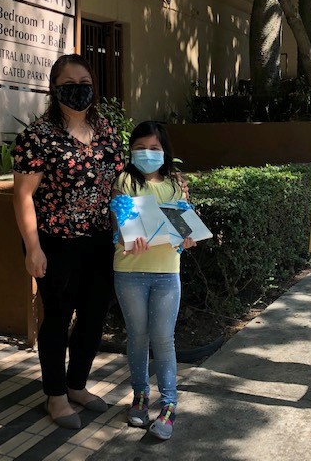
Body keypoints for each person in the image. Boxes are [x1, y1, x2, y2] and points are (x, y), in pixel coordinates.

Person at [12, 54, 125, 428]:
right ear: (54, 88)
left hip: (99, 242)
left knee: (94, 318)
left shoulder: (107, 130)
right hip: (55, 242)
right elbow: (23, 195)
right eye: (70, 83)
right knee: (58, 318)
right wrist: (32, 247)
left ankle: (77, 385)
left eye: (85, 81)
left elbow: (120, 190)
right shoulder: (38, 136)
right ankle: (56, 396)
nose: (80, 89)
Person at [111, 121, 196, 440]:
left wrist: (187, 238)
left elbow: (184, 227)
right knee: (138, 337)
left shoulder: (176, 183)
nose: (147, 154)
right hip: (130, 273)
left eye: (155, 148)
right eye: (141, 148)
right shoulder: (123, 181)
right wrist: (129, 237)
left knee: (163, 338)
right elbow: (120, 230)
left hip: (166, 272)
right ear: (131, 150)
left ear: (165, 151)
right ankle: (140, 397)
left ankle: (170, 404)